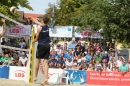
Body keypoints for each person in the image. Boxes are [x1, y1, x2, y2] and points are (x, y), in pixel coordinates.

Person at [29, 16, 51, 86]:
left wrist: (31, 41)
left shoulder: (39, 28)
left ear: (42, 21)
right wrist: (32, 18)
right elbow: (38, 22)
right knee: (45, 62)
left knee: (38, 61)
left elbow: (36, 39)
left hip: (41, 45)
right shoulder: (48, 27)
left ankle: (35, 77)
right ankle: (45, 78)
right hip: (47, 45)